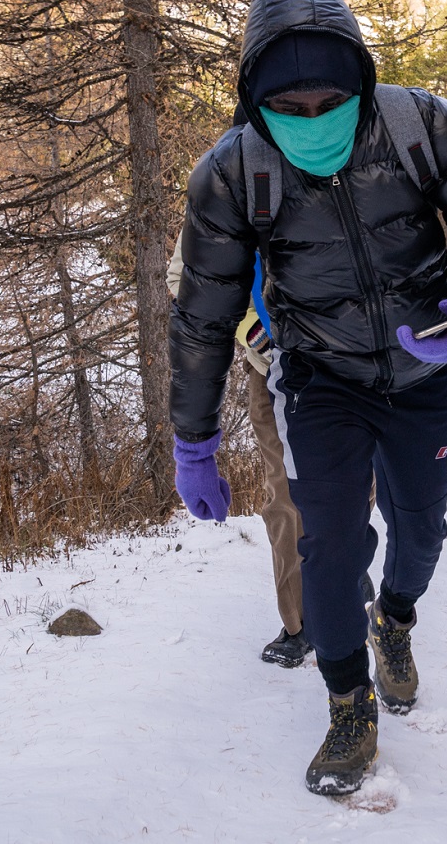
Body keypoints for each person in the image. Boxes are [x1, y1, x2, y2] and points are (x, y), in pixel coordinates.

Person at [168, 0, 447, 797]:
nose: (312, 119)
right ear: (256, 103)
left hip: (424, 363)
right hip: (317, 373)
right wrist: (194, 441)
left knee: (422, 530)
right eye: (287, 109)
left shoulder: (424, 126)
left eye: (329, 100)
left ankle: (394, 620)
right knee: (328, 537)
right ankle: (347, 702)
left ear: (358, 78)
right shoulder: (232, 173)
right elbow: (202, 316)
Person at [165, 239, 310, 667]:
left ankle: (343, 565)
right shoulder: (227, 178)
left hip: (350, 366)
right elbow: (184, 277)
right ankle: (301, 624)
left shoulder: (339, 171)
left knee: (354, 485)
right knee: (284, 497)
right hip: (274, 371)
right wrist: (252, 330)